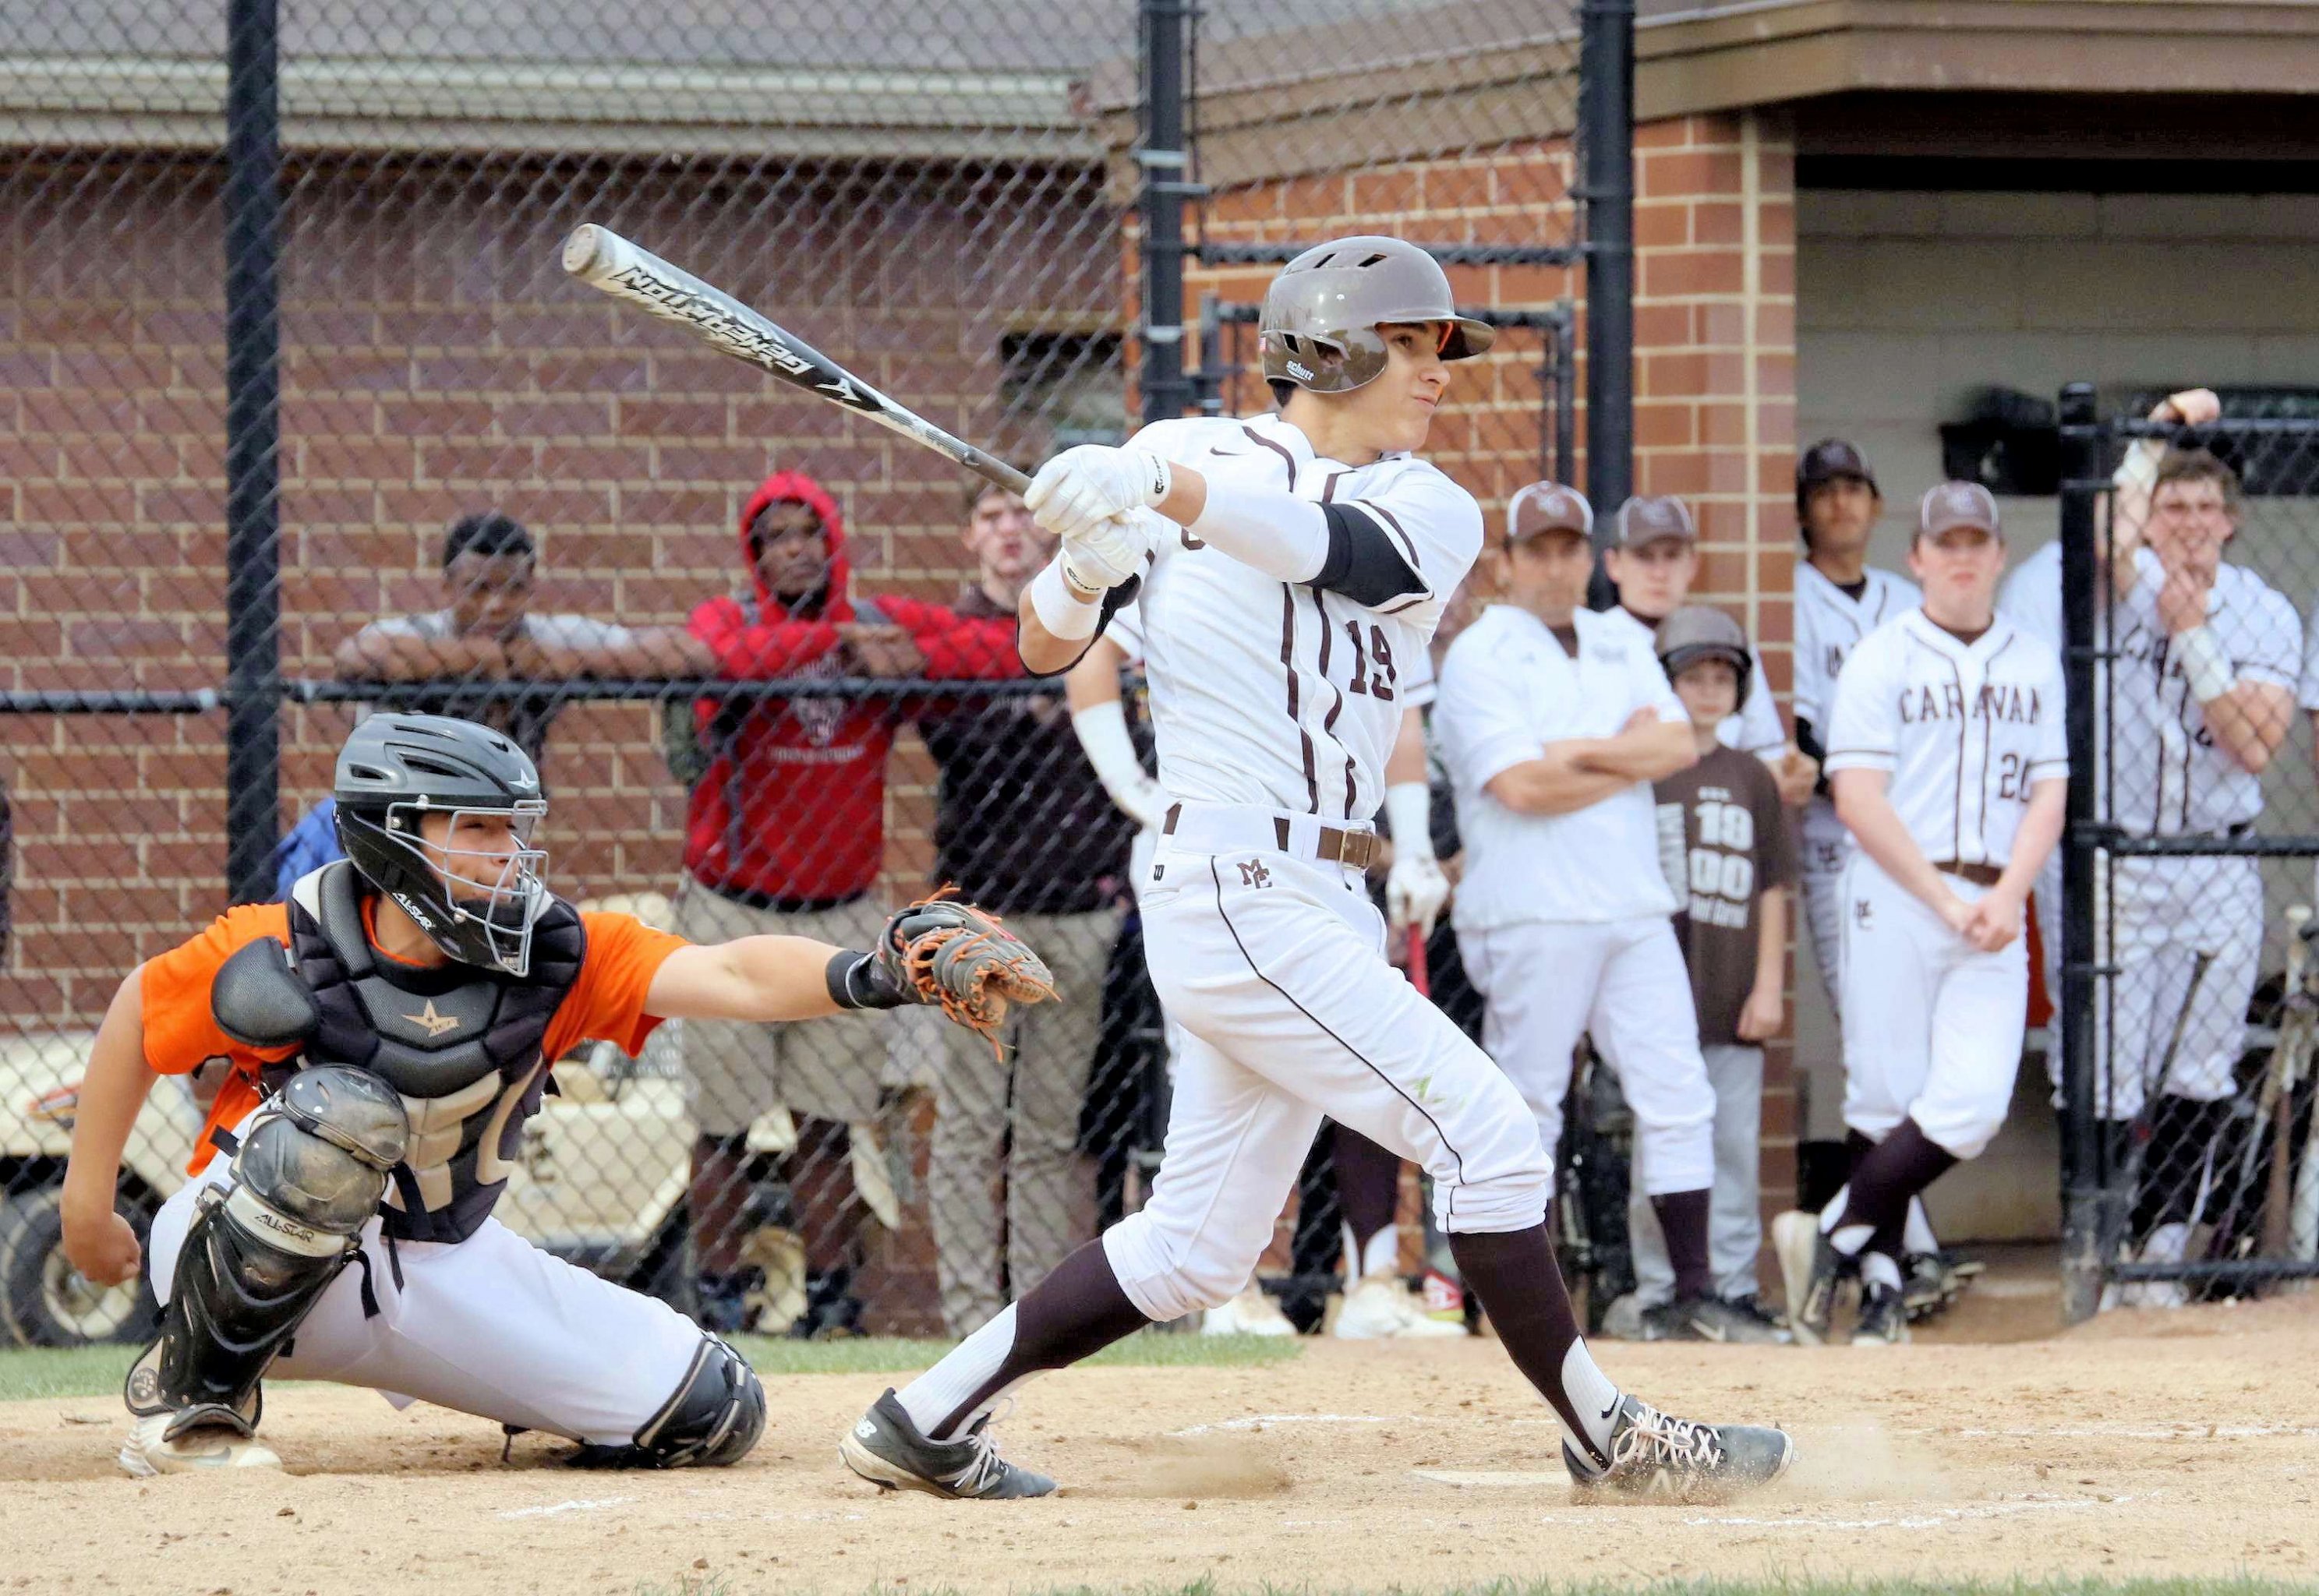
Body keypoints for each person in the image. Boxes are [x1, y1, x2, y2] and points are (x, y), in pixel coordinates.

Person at [836, 237, 1792, 1502]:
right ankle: (1608, 1429)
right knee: (1494, 1135)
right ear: (1328, 345)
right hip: (1231, 881)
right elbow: (1042, 645)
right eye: (1410, 344)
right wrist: (1083, 561)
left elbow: (1328, 550)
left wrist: (1161, 492)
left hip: (1319, 888)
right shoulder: (1186, 463)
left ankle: (925, 1410)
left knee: (1192, 1245)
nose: (1439, 371)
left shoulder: (1427, 505)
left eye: (1440, 347)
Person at [56, 714, 1044, 1475]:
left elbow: (734, 974)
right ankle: (189, 1405)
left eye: (511, 829)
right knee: (338, 1115)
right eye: (475, 829)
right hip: (235, 1247)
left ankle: (516, 1392)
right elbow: (137, 1016)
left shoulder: (557, 953)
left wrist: (870, 971)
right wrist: (87, 1210)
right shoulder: (284, 941)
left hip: (440, 1257)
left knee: (707, 1410)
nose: (506, 853)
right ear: (395, 843)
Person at [1435, 483, 1782, 1346]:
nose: (1555, 565)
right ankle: (1521, 1298)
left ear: (1591, 559)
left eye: (1568, 549)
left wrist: (1580, 752)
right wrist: (1617, 757)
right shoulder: (1482, 652)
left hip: (1630, 902)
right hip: (1530, 908)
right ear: (1507, 562)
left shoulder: (1621, 642)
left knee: (1677, 1093)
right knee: (1530, 1105)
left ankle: (1689, 1292)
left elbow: (1674, 744)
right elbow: (1518, 786)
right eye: (1537, 550)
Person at [1773, 483, 2067, 1344]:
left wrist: (2007, 893)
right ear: (1917, 557)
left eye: (1976, 539)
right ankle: (1878, 1297)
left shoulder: (2031, 658)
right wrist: (1944, 899)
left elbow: (2049, 789)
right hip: (1895, 890)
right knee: (1881, 1094)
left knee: (1970, 1103)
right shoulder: (1880, 655)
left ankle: (1829, 1235)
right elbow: (1855, 797)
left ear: (1999, 553)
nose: (1961, 555)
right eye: (1945, 542)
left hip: (1993, 896)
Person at [670, 468, 955, 1336]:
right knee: (721, 1127)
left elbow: (958, 656)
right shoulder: (729, 620)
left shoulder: (875, 629)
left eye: (807, 533)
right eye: (773, 538)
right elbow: (720, 665)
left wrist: (896, 656)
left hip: (839, 908)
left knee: (830, 1124)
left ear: (833, 543)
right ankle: (721, 1303)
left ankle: (830, 1306)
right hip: (730, 909)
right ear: (753, 557)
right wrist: (823, 638)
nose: (792, 549)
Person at [917, 481, 1138, 1336]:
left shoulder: (1084, 621)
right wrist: (1040, 715)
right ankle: (971, 1314)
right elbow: (958, 737)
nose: (1009, 530)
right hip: (981, 914)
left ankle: (1036, 1317)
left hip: (1079, 906)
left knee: (1049, 1130)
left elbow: (1115, 732)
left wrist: (1042, 714)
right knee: (971, 1126)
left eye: (1022, 515)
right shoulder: (955, 634)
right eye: (990, 517)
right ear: (969, 537)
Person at [2098, 437, 2296, 1302]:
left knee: (2201, 1062)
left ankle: (2162, 1249)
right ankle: (2100, 1245)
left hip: (2218, 853)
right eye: (2168, 508)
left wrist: (2194, 638)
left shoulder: (2261, 610)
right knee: (2112, 1062)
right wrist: (2155, 433)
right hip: (2128, 854)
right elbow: (2106, 525)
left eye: (2201, 509)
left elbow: (2251, 744)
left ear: (2229, 520)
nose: (2185, 525)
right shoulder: (2128, 582)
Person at [1789, 440, 1957, 1315]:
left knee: (1915, 1042)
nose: (1842, 503)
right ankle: (1904, 1247)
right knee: (1872, 1037)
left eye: (1855, 486)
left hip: (1908, 844)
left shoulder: (1904, 600)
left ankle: (1885, 1237)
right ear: (1805, 509)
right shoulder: (1790, 593)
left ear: (1875, 503)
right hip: (1831, 841)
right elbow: (1806, 739)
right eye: (1825, 491)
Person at [1624, 607, 1798, 1339]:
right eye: (1692, 676)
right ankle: (1661, 1288)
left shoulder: (1751, 775)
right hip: (1656, 991)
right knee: (1658, 1140)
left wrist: (1766, 988)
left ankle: (1727, 1284)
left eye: (1722, 677)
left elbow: (1772, 888)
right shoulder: (1645, 771)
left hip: (1731, 992)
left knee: (1730, 1143)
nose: (1707, 689)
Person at [336, 510, 707, 763]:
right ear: (448, 588)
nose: (496, 605)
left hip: (502, 816)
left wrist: (563, 663)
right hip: (398, 809)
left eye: (514, 589)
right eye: (478, 589)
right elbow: (357, 654)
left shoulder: (543, 639)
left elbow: (688, 654)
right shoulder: (422, 632)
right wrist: (479, 659)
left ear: (531, 588)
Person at [1596, 493, 1815, 807]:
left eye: (1672, 556)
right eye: (1644, 556)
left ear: (1693, 565)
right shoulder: (1593, 643)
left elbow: (1767, 756)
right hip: (1624, 818)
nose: (1659, 573)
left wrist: (1790, 776)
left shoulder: (1726, 641)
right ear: (1613, 565)